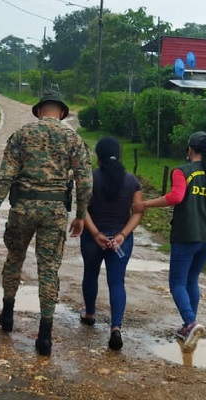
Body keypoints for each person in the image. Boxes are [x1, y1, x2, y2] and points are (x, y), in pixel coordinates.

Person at [0, 90, 92, 356]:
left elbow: (5, 175)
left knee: (14, 258)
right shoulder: (74, 139)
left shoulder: (22, 134)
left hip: (22, 208)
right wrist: (80, 215)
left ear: (39, 110)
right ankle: (44, 336)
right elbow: (85, 181)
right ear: (63, 112)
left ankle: (7, 315)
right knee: (48, 269)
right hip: (55, 211)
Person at [132, 131, 206, 352]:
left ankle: (191, 323)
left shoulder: (181, 171)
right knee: (192, 280)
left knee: (177, 282)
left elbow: (176, 197)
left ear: (189, 150)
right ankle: (189, 327)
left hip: (186, 235)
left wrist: (144, 204)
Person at [79, 137, 143, 351]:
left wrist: (96, 233)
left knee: (90, 274)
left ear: (98, 156)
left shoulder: (91, 178)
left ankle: (89, 314)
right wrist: (122, 235)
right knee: (117, 282)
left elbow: (83, 209)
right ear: (119, 154)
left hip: (92, 238)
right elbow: (137, 213)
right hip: (120, 241)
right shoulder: (132, 182)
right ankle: (115, 327)